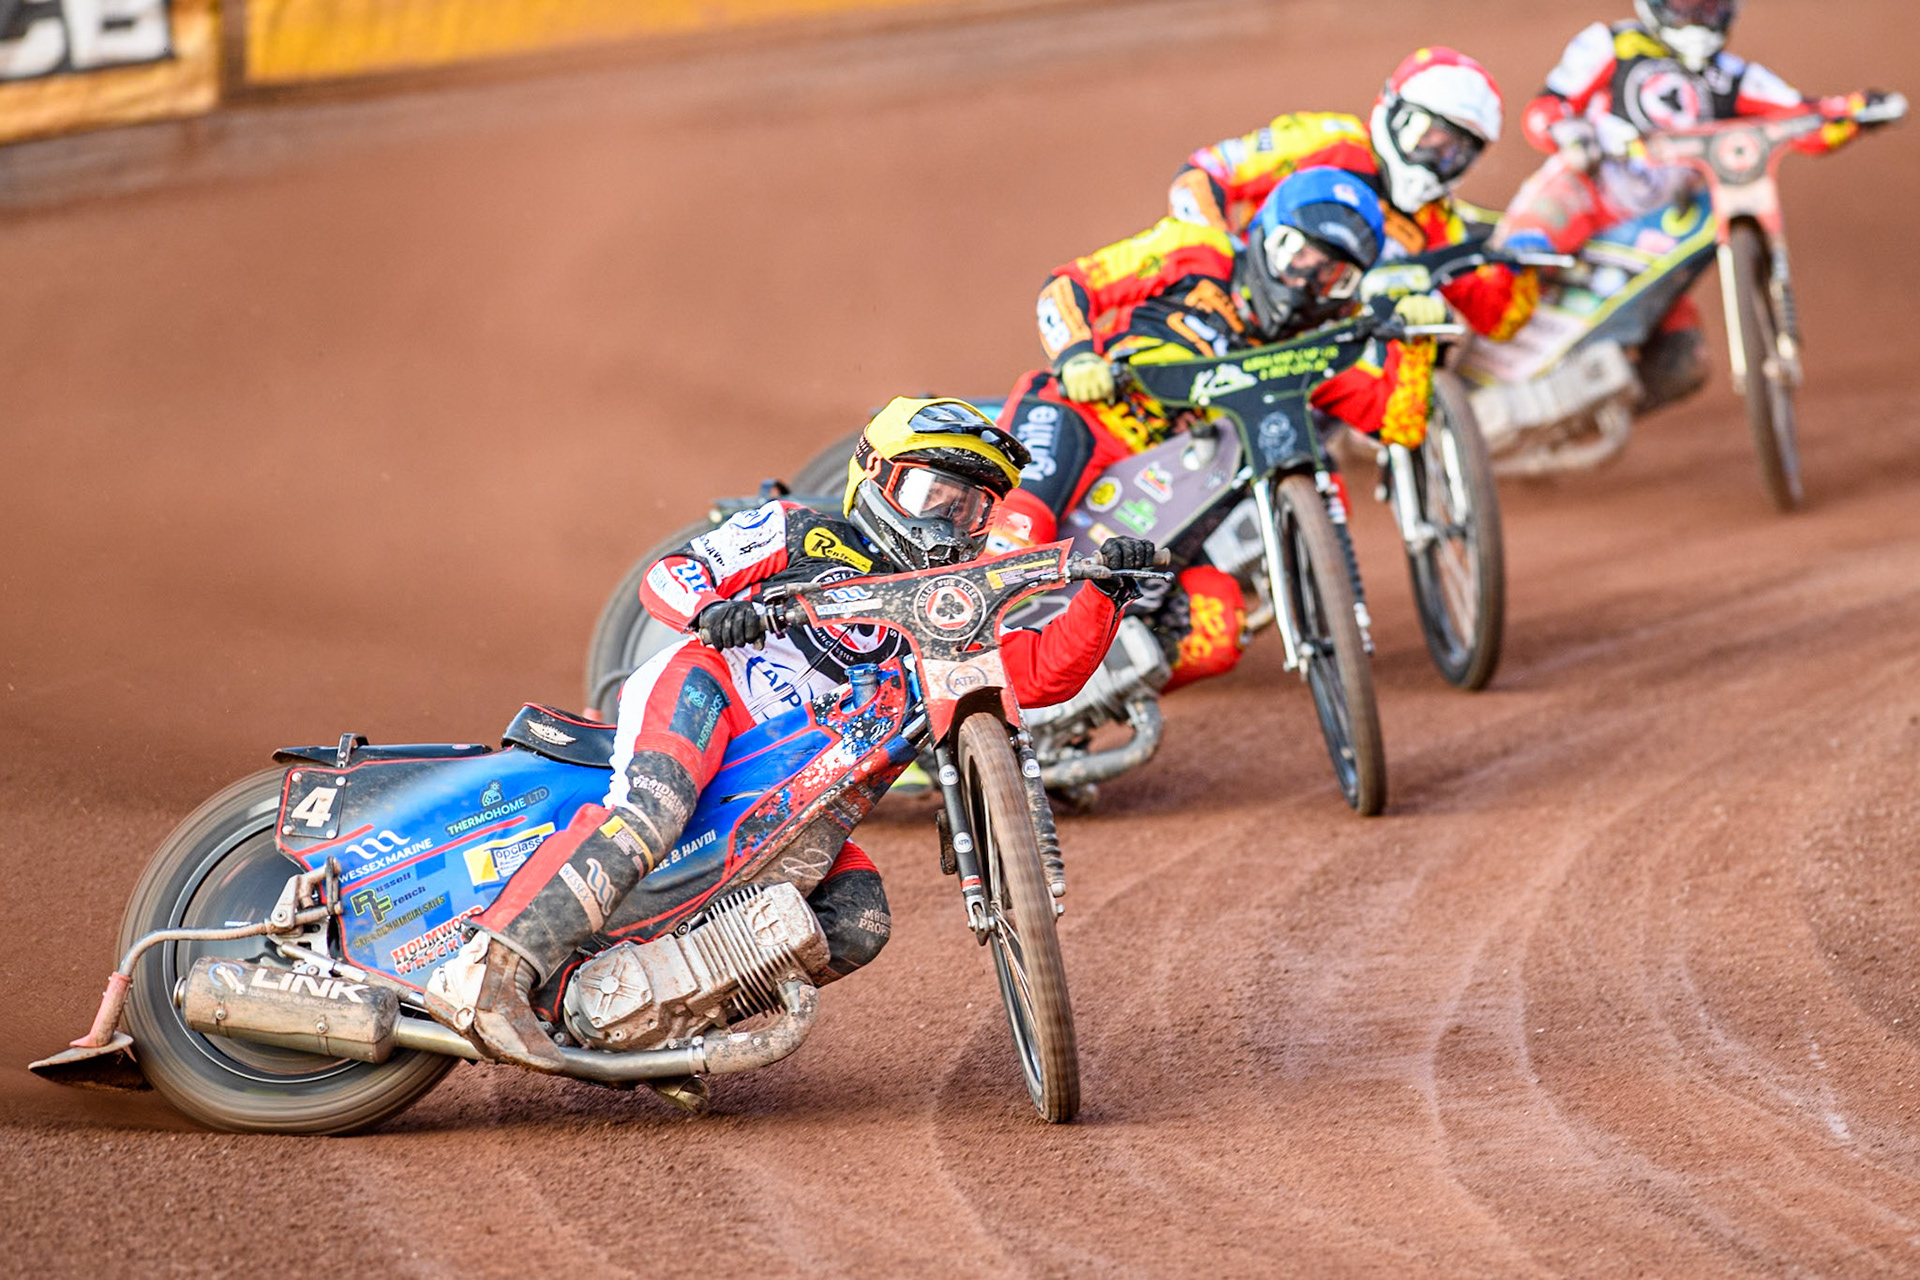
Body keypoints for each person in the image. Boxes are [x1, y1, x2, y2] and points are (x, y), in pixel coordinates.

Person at [424, 397, 1158, 1075]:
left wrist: (1103, 595)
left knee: (858, 920)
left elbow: (1038, 673)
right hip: (712, 694)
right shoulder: (799, 529)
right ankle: (490, 973)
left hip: (799, 796)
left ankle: (654, 1017)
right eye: (929, 493)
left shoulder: (952, 607)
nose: (945, 521)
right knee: (655, 806)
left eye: (968, 507)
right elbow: (673, 571)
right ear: (876, 478)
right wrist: (710, 609)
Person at [994, 167, 1440, 691]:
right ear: (1268, 236)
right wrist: (1075, 355)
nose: (1306, 282)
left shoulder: (1311, 345)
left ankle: (1088, 691)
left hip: (1183, 490)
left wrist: (1416, 342)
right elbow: (1069, 285)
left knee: (1216, 634)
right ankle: (936, 686)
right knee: (1011, 545)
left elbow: (1398, 421)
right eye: (1299, 255)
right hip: (1083, 421)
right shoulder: (1196, 250)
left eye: (1333, 275)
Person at [1498, 1, 1894, 406]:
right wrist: (1571, 133)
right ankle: (1475, 343)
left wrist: (1858, 110)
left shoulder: (1733, 77)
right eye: (1685, 4)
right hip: (1586, 194)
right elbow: (1544, 109)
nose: (1696, 16)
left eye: (1707, 4)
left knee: (1686, 360)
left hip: (1657, 233)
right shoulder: (1613, 44)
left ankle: (1591, 410)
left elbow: (1805, 118)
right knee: (1525, 249)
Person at [1167, 47, 1539, 346]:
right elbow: (1204, 172)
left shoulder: (1437, 219)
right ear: (1393, 110)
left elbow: (1496, 318)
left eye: (1454, 152)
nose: (1433, 159)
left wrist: (1525, 256)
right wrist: (1219, 255)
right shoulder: (1328, 143)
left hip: (1330, 355)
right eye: (1425, 135)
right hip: (1236, 312)